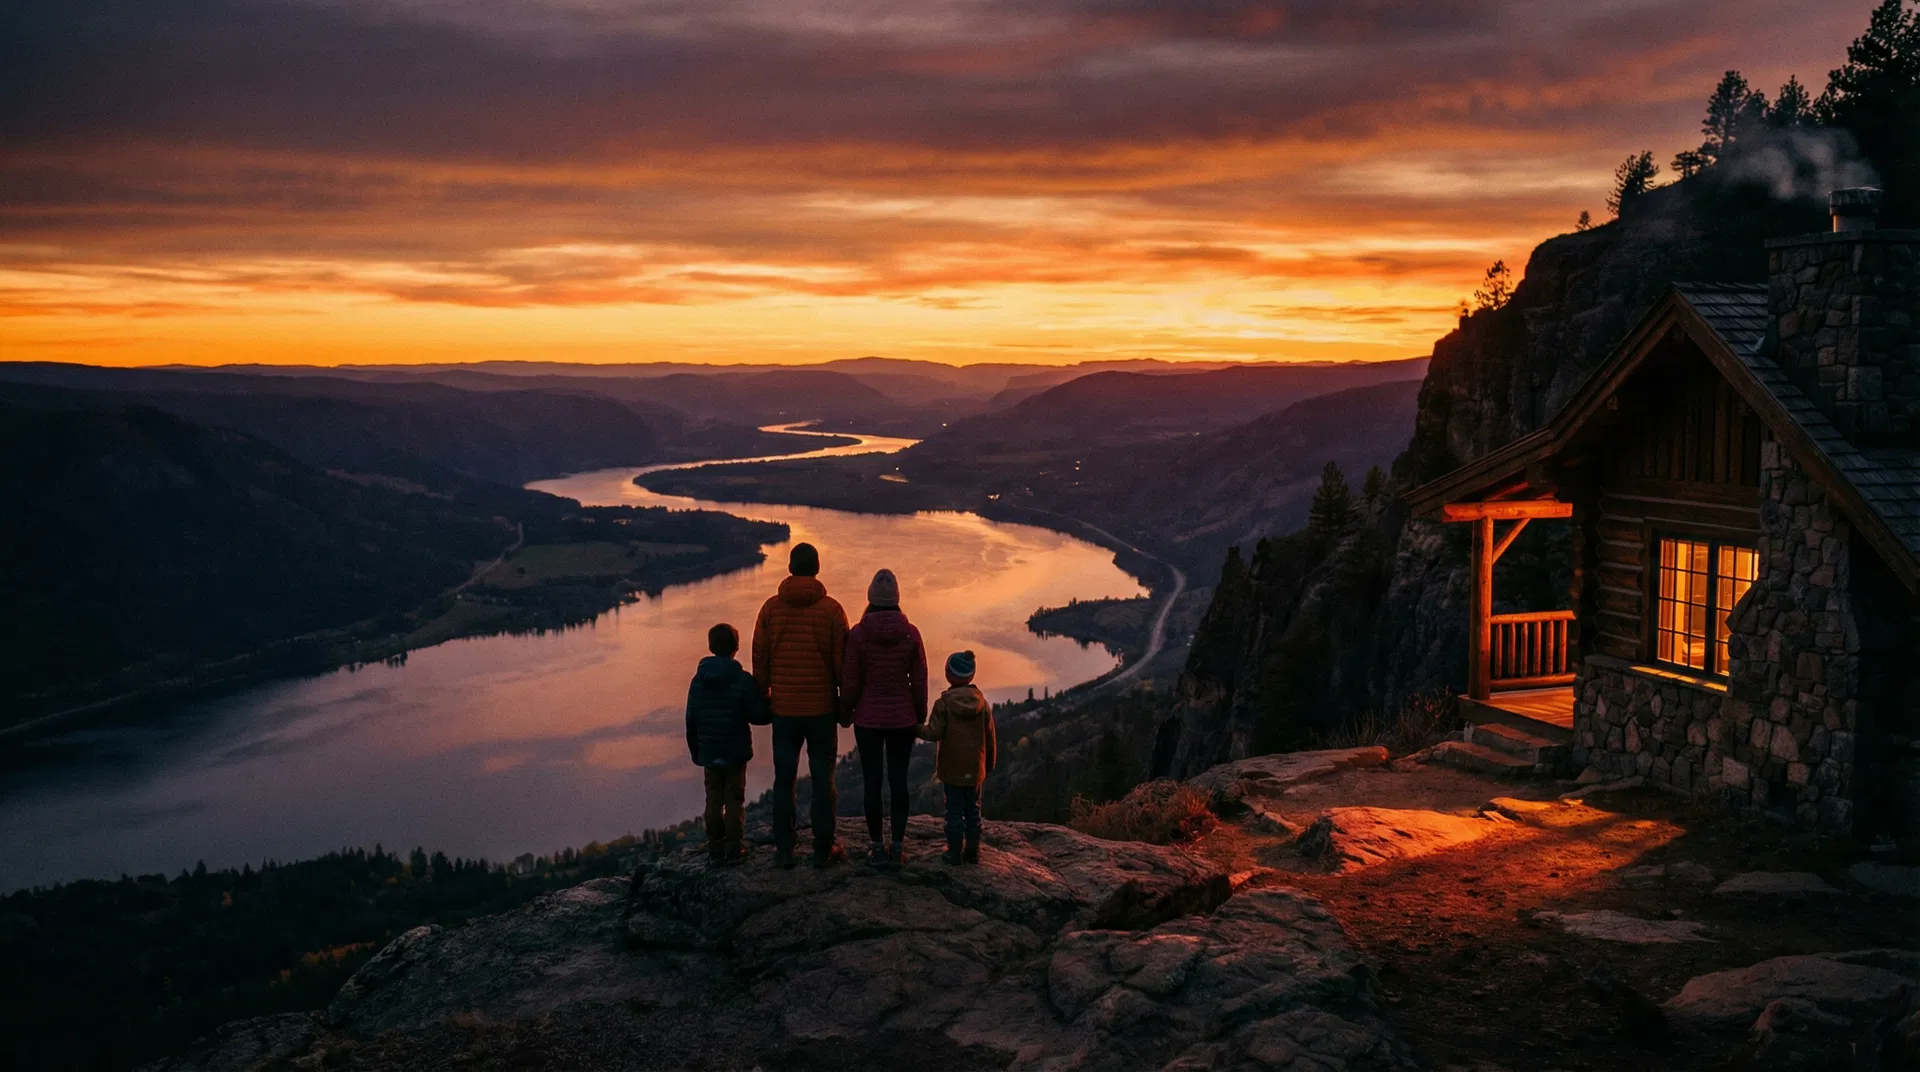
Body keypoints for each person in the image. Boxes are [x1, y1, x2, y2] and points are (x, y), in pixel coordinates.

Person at [751, 542, 850, 868]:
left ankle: (784, 849)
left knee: (784, 779)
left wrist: (764, 694)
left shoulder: (770, 609)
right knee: (824, 781)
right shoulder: (833, 611)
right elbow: (843, 665)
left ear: (791, 568)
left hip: (784, 711)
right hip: (821, 710)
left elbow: (760, 658)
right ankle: (823, 849)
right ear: (817, 568)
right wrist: (843, 703)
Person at [840, 568, 928, 868]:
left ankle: (877, 847)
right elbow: (919, 680)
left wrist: (845, 711)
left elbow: (850, 681)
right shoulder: (911, 633)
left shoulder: (858, 634)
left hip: (868, 720)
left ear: (870, 598)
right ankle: (898, 848)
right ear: (897, 599)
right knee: (899, 782)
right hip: (903, 719)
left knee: (872, 783)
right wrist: (920, 713)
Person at [684, 623, 768, 866]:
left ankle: (715, 849)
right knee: (734, 799)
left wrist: (696, 751)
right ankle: (734, 848)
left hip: (709, 750)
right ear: (736, 648)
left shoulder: (697, 681)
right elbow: (757, 715)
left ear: (710, 647)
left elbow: (691, 718)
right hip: (734, 751)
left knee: (712, 799)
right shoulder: (742, 680)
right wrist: (772, 704)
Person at [920, 650, 996, 865]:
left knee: (953, 810)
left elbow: (933, 733)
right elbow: (990, 738)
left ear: (947, 674)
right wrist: (987, 766)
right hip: (975, 769)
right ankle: (973, 852)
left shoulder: (943, 703)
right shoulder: (982, 704)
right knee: (973, 809)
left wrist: (914, 728)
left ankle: (954, 853)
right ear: (971, 676)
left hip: (952, 770)